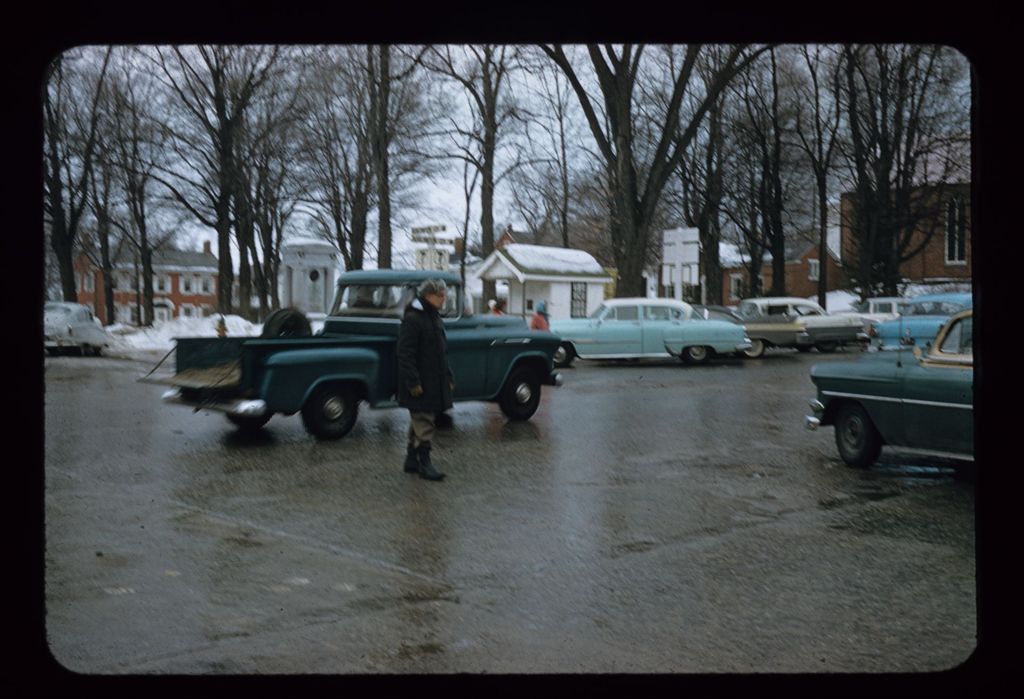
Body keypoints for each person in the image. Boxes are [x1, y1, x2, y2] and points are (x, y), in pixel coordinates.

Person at [397, 278, 454, 481]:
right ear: (429, 295)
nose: (443, 299)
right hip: (420, 382)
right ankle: (424, 463)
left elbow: (441, 351)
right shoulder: (414, 318)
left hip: (432, 380)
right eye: (441, 295)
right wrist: (413, 383)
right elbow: (405, 354)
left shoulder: (433, 317)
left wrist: (448, 375)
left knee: (420, 420)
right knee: (425, 420)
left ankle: (412, 460)